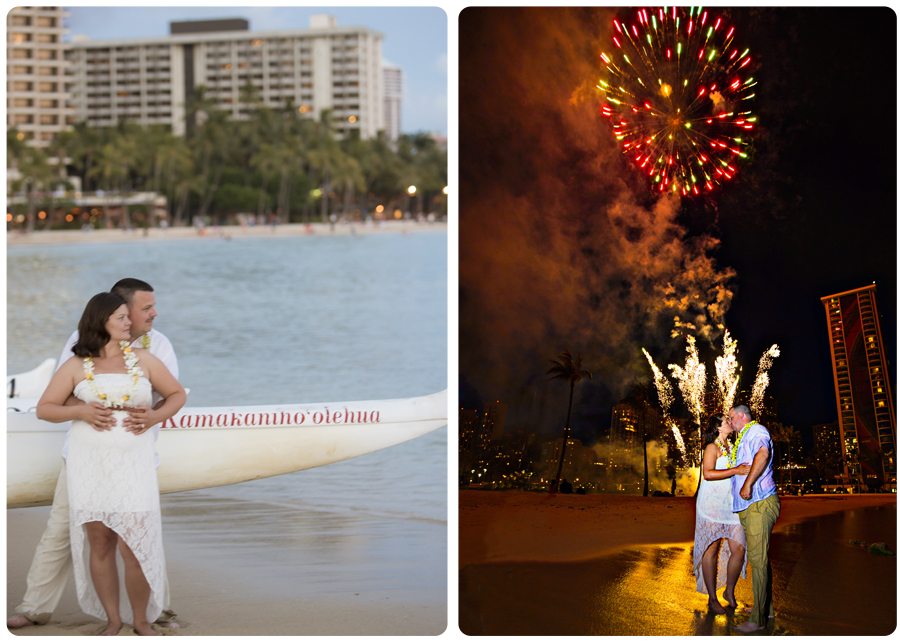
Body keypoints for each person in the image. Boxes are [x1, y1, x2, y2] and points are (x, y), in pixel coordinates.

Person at [8, 278, 179, 630]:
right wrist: (85, 410)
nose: (151, 314)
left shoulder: (155, 346)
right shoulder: (78, 350)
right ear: (115, 311)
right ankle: (36, 608)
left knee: (139, 540)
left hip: (135, 460)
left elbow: (170, 393)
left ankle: (148, 615)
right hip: (84, 460)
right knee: (70, 533)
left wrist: (151, 416)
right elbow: (58, 398)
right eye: (144, 308)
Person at [728, 404, 780, 634]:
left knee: (758, 561)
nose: (729, 421)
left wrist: (748, 483)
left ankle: (758, 620)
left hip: (759, 503)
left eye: (731, 417)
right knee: (759, 559)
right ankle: (766, 608)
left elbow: (763, 453)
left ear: (741, 416)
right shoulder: (744, 436)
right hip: (751, 506)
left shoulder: (756, 430)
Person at [693, 416, 751, 614]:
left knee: (739, 549)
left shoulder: (731, 446)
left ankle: (729, 591)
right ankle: (712, 598)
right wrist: (735, 469)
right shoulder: (711, 447)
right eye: (726, 420)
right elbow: (708, 473)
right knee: (711, 550)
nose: (729, 422)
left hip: (731, 505)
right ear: (717, 427)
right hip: (711, 505)